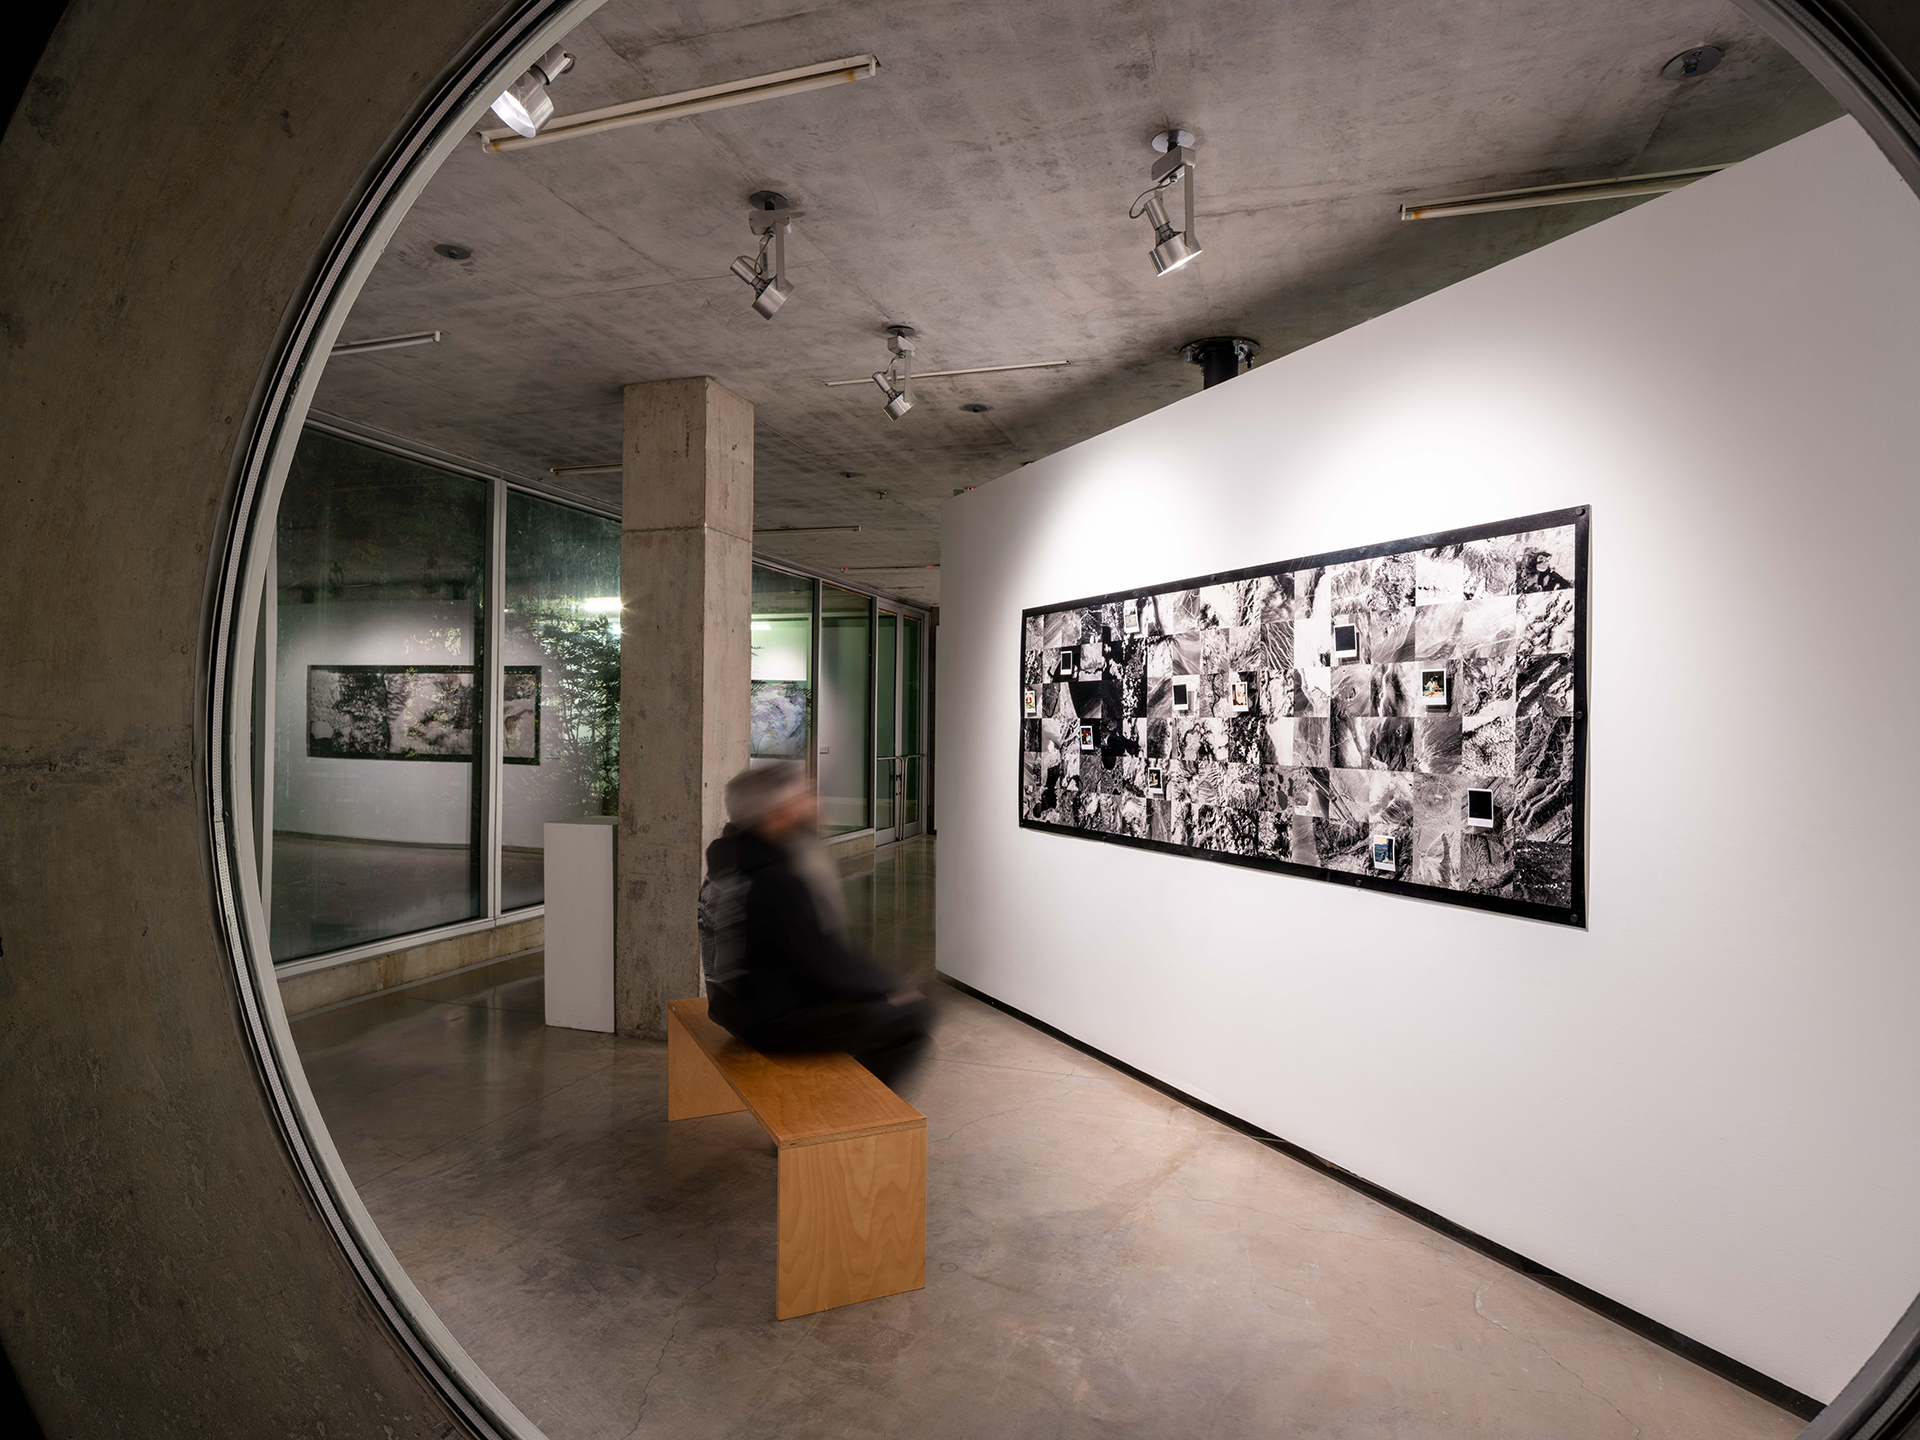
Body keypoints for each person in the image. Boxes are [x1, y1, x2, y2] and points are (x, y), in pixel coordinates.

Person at [699, 762, 931, 1091]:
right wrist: (889, 989)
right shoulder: (776, 879)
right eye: (804, 799)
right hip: (765, 1021)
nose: (815, 804)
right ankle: (856, 1113)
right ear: (776, 815)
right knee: (909, 1018)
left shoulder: (730, 861)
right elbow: (821, 961)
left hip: (730, 1006)